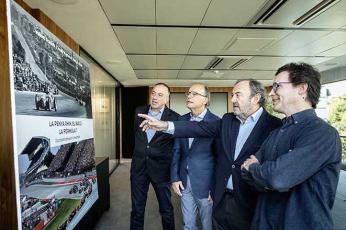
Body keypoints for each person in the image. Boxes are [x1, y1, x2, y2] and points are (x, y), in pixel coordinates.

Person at [138, 79, 282, 230]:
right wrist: (164, 125)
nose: (232, 99)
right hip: (220, 195)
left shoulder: (275, 126)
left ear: (256, 98)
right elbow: (198, 128)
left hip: (250, 199)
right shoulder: (228, 120)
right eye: (232, 95)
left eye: (237, 95)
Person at [242, 63, 342, 230]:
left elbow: (277, 177)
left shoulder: (322, 133)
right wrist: (264, 175)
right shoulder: (277, 131)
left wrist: (258, 170)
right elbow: (246, 174)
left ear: (302, 88)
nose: (271, 92)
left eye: (277, 86)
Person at [130, 83, 179, 230]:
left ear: (167, 98)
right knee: (137, 210)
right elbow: (137, 136)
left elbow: (175, 147)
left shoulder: (174, 118)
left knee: (166, 210)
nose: (155, 97)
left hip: (161, 171)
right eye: (153, 93)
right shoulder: (139, 111)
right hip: (139, 169)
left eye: (160, 95)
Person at [171, 84, 219, 230]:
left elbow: (220, 158)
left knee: (207, 225)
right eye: (188, 93)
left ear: (205, 100)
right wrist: (174, 177)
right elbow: (177, 150)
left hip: (206, 184)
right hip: (184, 181)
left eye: (194, 94)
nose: (189, 96)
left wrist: (215, 187)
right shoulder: (182, 119)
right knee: (188, 224)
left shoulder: (216, 122)